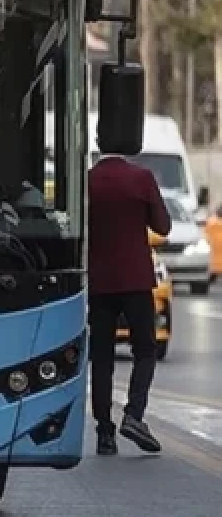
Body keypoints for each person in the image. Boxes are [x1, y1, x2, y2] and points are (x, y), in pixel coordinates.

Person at [88, 137, 172, 456]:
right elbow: (162, 226)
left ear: (98, 143)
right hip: (136, 280)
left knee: (103, 357)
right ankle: (134, 415)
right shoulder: (141, 178)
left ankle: (104, 433)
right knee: (145, 350)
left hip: (99, 282)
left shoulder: (87, 181)